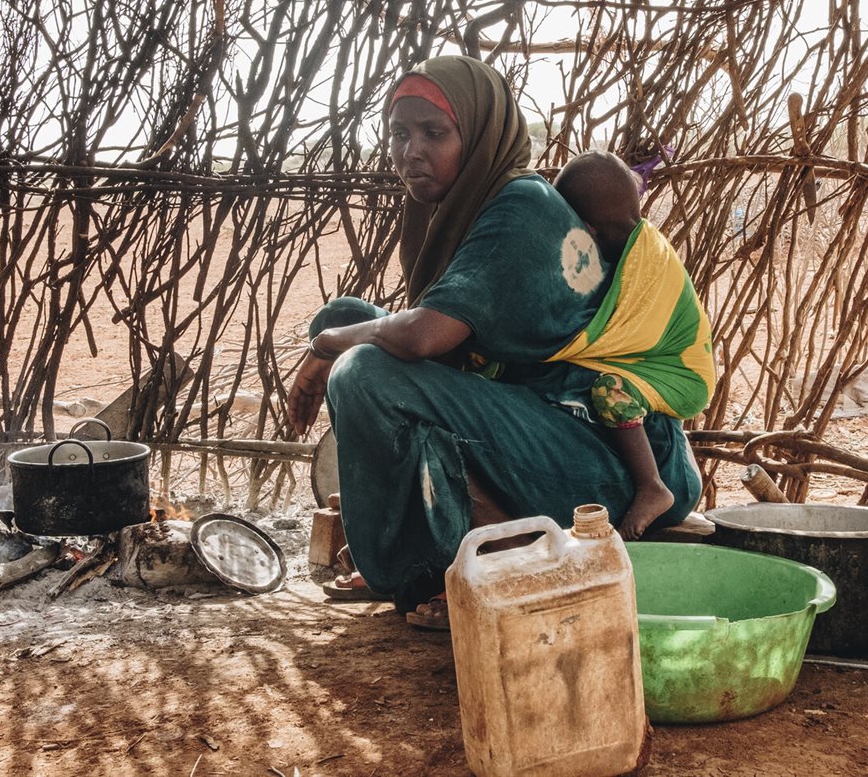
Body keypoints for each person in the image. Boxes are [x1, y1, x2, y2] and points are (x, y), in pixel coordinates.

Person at [286, 55, 701, 629]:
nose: (412, 151)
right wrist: (334, 334)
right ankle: (430, 545)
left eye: (435, 133)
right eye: (399, 133)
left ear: (480, 133)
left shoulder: (521, 207)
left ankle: (498, 554)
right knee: (347, 319)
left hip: (611, 460)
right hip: (538, 424)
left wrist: (328, 345)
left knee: (360, 365)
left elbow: (428, 336)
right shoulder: (465, 205)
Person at [552, 152, 717, 538]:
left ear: (588, 229)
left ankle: (652, 486)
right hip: (656, 363)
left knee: (611, 389)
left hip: (682, 372)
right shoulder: (627, 249)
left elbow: (619, 328)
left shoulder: (648, 261)